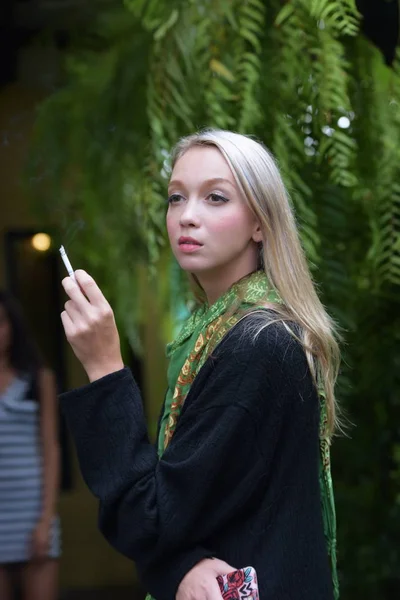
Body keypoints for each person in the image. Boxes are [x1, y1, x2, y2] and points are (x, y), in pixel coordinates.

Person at [59, 129, 341, 600]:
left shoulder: (257, 344)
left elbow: (148, 519)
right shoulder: (214, 330)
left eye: (215, 197)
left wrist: (105, 369)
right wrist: (181, 568)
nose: (186, 216)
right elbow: (183, 517)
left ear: (260, 223)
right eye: (175, 198)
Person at [0, 291, 61, 600]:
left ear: (12, 327)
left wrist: (45, 518)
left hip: (32, 512)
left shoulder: (38, 379)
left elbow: (50, 449)